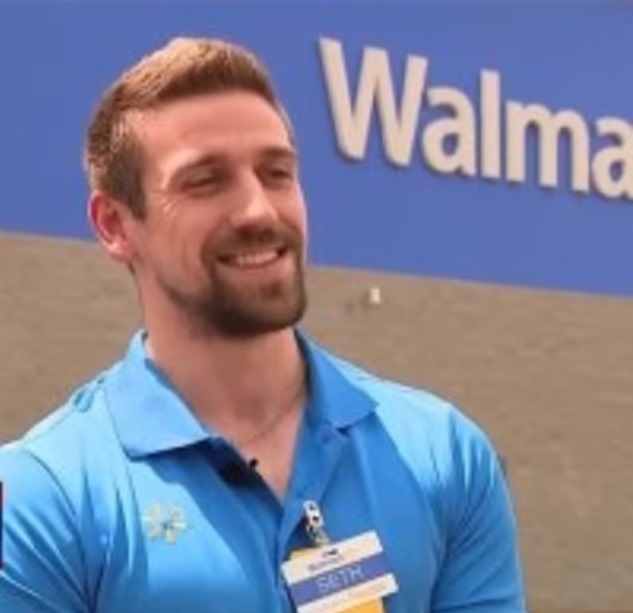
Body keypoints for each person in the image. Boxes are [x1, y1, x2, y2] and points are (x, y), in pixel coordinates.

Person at [0, 37, 527, 613]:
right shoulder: (41, 496)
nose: (258, 210)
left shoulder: (443, 454)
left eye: (277, 173)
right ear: (115, 225)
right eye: (205, 181)